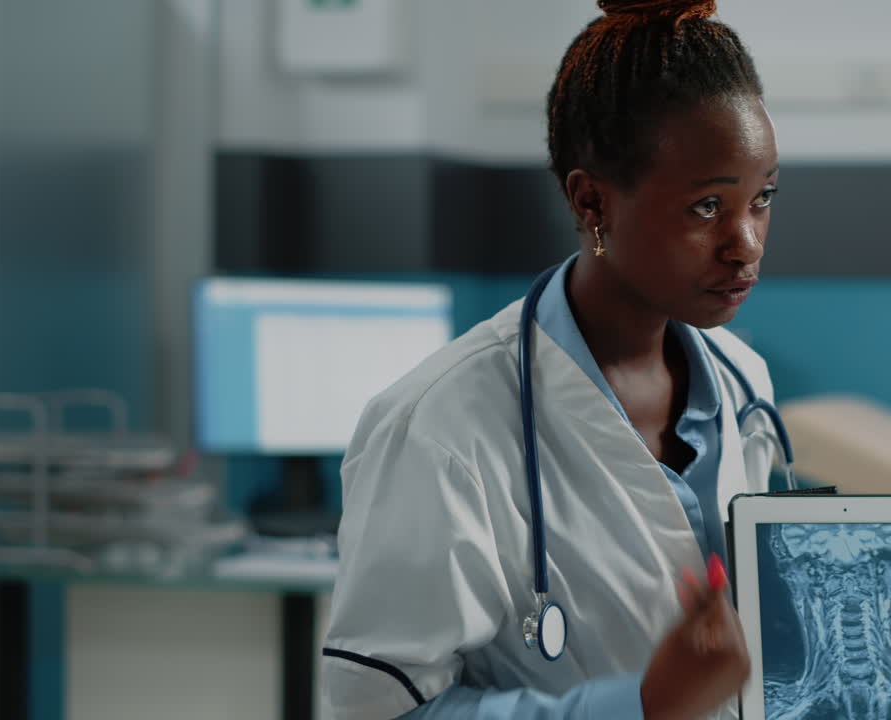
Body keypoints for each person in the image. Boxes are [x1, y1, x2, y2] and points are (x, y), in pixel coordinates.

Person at [324, 1, 793, 718]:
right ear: (593, 202)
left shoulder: (741, 383)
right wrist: (637, 706)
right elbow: (378, 711)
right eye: (707, 207)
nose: (747, 243)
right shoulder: (439, 428)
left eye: (761, 199)